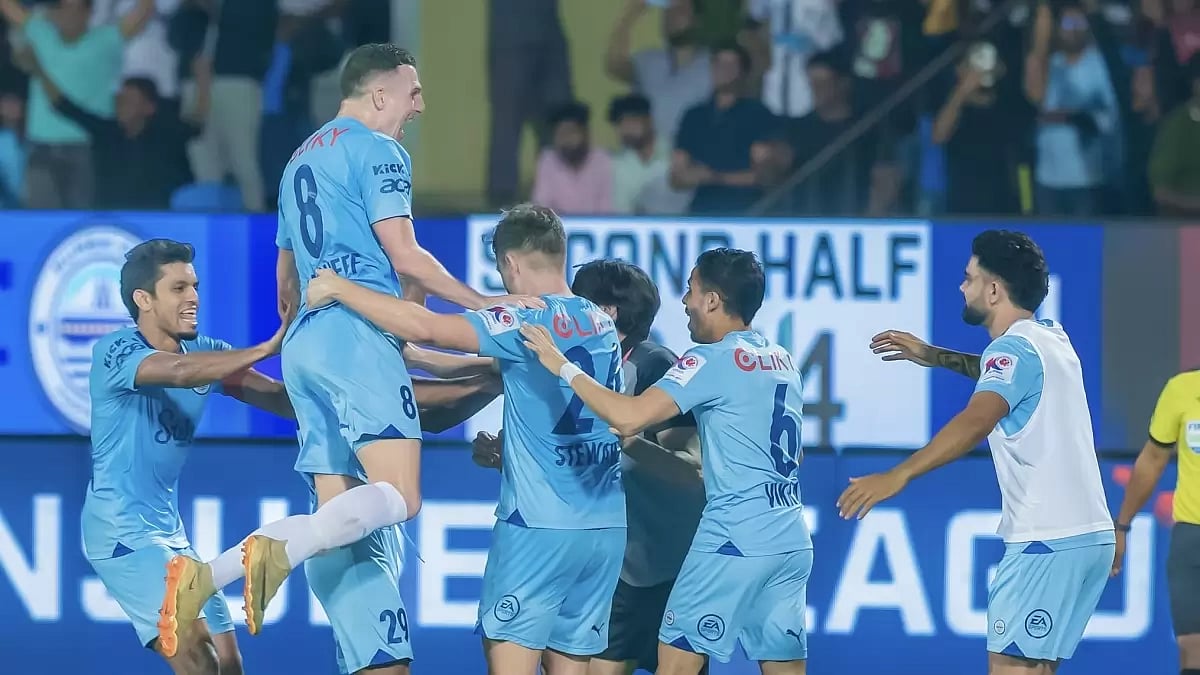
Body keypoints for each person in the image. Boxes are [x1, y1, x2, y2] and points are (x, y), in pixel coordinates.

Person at [157, 43, 536, 674]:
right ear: (378, 93)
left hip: (306, 344)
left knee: (340, 514)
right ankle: (251, 557)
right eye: (413, 91)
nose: (420, 104)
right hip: (357, 335)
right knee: (403, 495)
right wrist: (486, 302)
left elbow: (284, 282)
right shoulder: (381, 151)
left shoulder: (298, 158)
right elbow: (407, 254)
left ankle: (197, 581)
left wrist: (304, 334)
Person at [304, 204, 627, 675]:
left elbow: (427, 325)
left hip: (538, 527)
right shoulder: (601, 324)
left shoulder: (522, 319)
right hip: (603, 528)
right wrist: (418, 358)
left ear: (511, 264)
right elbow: (491, 369)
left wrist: (338, 287)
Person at [519, 248, 811, 675]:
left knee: (675, 666)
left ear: (712, 299)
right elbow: (795, 452)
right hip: (790, 537)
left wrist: (560, 364)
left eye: (691, 290)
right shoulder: (783, 361)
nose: (685, 303)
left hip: (733, 537)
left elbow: (628, 415)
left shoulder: (710, 358)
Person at [843, 230, 1114, 675]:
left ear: (992, 289)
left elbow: (976, 419)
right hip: (1087, 537)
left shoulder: (1011, 350)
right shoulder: (1050, 338)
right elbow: (1001, 374)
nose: (962, 286)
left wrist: (900, 475)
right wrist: (934, 356)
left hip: (1045, 539)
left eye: (969, 278)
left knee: (1011, 669)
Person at [471, 259, 707, 675]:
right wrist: (510, 456)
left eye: (574, 299)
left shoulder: (653, 367)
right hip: (611, 561)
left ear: (608, 312)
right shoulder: (568, 363)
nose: (563, 308)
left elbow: (690, 469)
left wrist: (626, 440)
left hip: (661, 564)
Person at [86, 238, 293, 675]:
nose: (194, 297)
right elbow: (178, 372)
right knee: (198, 656)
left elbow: (277, 398)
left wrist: (356, 401)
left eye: (194, 285)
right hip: (122, 534)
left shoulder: (206, 353)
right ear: (143, 299)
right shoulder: (115, 352)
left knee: (230, 665)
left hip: (171, 535)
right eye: (178, 288)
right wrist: (266, 346)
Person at [1111, 368, 1200, 675]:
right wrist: (1122, 525)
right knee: (1192, 650)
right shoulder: (1182, 389)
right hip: (1192, 538)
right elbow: (1152, 460)